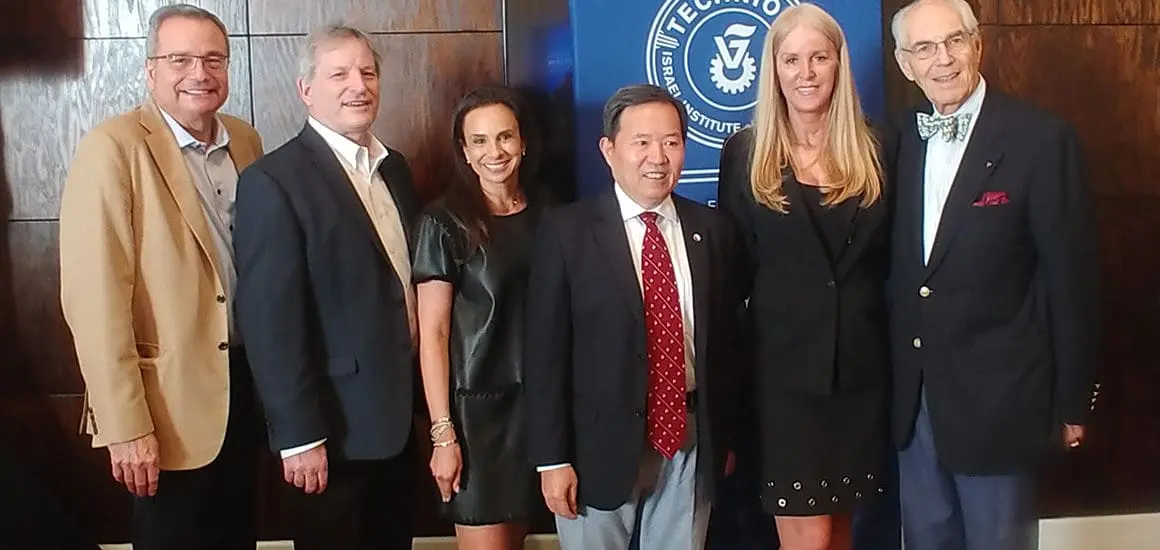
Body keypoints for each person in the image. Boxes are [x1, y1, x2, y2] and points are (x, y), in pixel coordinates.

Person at [886, 1, 1100, 549]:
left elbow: (1072, 281)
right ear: (904, 63)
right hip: (915, 407)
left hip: (1003, 403)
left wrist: (1073, 401)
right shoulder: (895, 142)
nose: (943, 60)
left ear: (978, 45)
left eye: (954, 41)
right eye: (924, 48)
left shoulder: (1040, 139)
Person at [58, 4, 263, 549]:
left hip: (244, 387)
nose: (200, 72)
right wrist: (125, 425)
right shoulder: (113, 148)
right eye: (181, 59)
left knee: (237, 534)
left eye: (213, 59)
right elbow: (94, 300)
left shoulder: (245, 141)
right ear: (151, 71)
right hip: (165, 404)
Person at [523, 84, 745, 550]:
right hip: (593, 451)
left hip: (689, 441)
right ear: (608, 150)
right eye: (641, 142)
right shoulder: (566, 233)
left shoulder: (713, 230)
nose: (658, 157)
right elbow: (544, 357)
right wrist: (551, 460)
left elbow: (726, 346)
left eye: (671, 141)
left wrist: (724, 437)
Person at [233, 24, 419, 550]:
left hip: (399, 423)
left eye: (367, 72)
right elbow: (270, 322)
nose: (357, 85)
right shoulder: (273, 181)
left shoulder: (395, 169)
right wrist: (298, 436)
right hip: (331, 435)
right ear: (305, 89)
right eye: (339, 73)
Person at [717, 4, 892, 550]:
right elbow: (731, 277)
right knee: (807, 538)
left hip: (860, 377)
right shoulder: (745, 153)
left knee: (841, 534)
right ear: (773, 70)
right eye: (791, 60)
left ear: (839, 65)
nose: (806, 72)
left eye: (819, 57)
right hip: (782, 382)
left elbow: (893, 264)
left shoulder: (881, 147)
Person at [412, 85, 544, 549]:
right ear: (464, 152)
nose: (495, 152)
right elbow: (433, 333)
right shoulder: (443, 221)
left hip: (542, 415)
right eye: (481, 141)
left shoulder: (552, 214)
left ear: (523, 142)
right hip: (478, 424)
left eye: (505, 137)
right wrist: (443, 433)